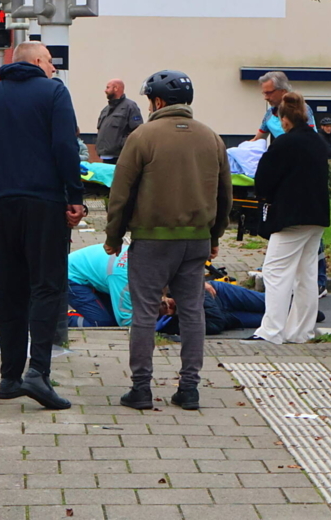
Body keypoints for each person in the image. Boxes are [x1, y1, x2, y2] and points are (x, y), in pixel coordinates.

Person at [0, 40, 85, 410]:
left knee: (10, 289)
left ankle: (9, 377)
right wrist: (75, 195)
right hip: (46, 204)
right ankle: (37, 374)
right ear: (39, 62)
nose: (54, 69)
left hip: (5, 204)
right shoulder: (55, 93)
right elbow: (64, 146)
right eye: (51, 62)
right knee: (46, 286)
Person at [105, 70, 232, 411]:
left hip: (152, 240)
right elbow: (225, 194)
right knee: (192, 312)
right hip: (196, 242)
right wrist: (215, 234)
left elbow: (121, 193)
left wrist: (113, 237)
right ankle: (189, 388)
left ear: (157, 102)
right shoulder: (212, 138)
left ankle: (141, 388)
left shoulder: (142, 137)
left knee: (145, 312)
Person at [247, 91, 330, 345]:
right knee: (305, 275)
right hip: (317, 217)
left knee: (275, 271)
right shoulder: (317, 141)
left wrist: (265, 197)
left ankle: (271, 331)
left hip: (291, 217)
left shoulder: (283, 143)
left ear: (284, 120)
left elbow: (263, 179)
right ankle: (301, 332)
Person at [159, 281, 325, 335]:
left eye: (168, 301)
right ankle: (305, 316)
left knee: (269, 302)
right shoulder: (172, 325)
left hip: (222, 294)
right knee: (275, 319)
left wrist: (199, 286)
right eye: (169, 309)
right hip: (229, 317)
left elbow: (184, 276)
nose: (171, 304)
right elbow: (215, 324)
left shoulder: (175, 288)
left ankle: (307, 309)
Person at [67, 244, 132, 327]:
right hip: (72, 277)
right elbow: (125, 321)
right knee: (101, 324)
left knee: (113, 318)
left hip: (96, 273)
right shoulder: (122, 277)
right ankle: (58, 319)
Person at [249, 71, 316, 143]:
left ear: (283, 91)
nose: (266, 98)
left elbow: (310, 138)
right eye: (264, 93)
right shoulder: (270, 114)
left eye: (269, 93)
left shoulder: (302, 109)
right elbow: (257, 140)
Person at [96, 79, 143, 164]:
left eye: (108, 87)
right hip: (105, 156)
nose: (105, 91)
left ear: (116, 88)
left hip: (121, 157)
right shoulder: (105, 110)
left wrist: (122, 144)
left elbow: (138, 130)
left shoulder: (130, 107)